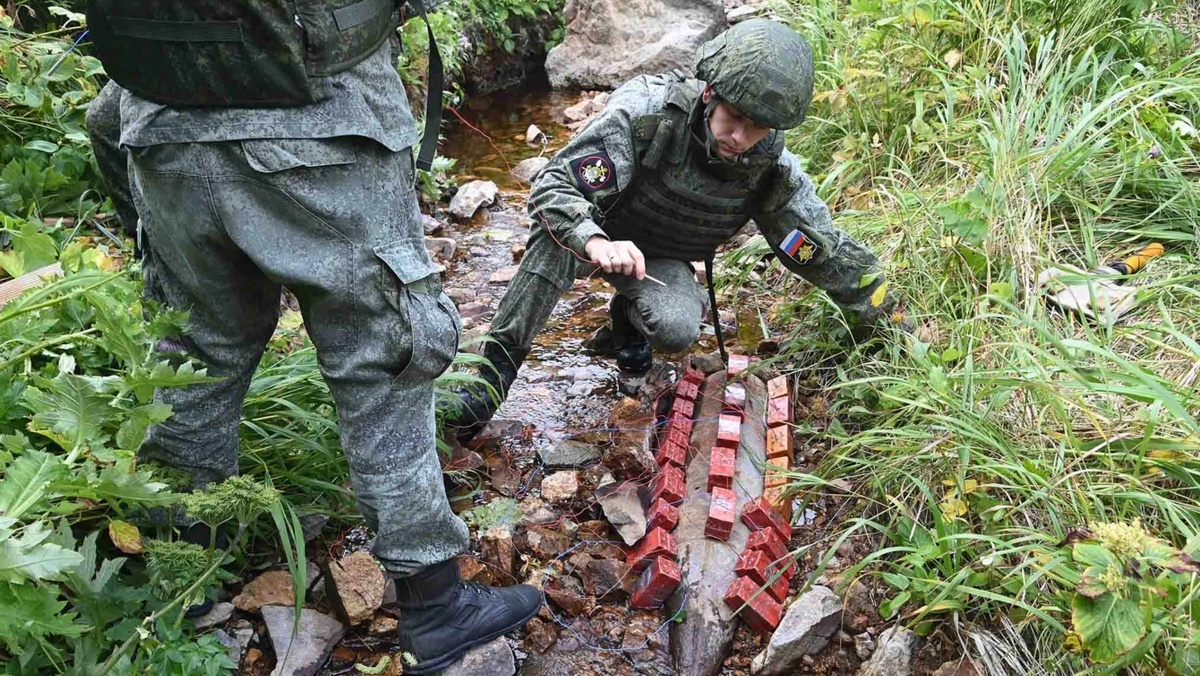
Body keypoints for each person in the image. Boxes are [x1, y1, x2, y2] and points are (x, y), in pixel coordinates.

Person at [87, 1, 540, 672]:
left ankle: (182, 578)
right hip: (323, 123)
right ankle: (436, 604)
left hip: (160, 123)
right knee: (387, 354)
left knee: (193, 353)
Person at [451, 19, 909, 435]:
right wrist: (591, 238)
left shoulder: (769, 171)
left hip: (656, 259)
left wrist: (889, 324)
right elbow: (555, 186)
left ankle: (626, 325)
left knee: (676, 328)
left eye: (758, 129)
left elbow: (819, 250)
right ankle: (490, 380)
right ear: (710, 94)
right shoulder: (648, 117)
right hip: (592, 232)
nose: (740, 138)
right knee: (554, 241)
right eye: (735, 119)